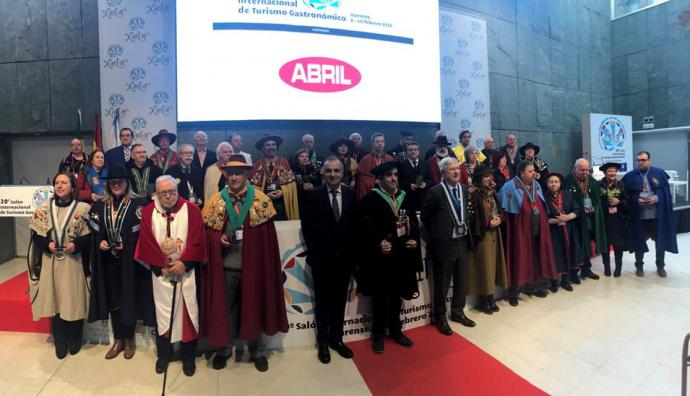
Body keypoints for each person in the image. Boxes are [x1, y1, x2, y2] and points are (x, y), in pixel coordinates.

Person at [201, 155, 288, 372]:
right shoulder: (215, 201)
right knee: (226, 310)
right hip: (226, 268)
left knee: (255, 306)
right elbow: (207, 236)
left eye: (239, 172)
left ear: (247, 174)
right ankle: (224, 349)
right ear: (225, 174)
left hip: (254, 268)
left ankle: (257, 351)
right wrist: (216, 239)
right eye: (230, 172)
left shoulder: (261, 200)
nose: (234, 177)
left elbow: (268, 242)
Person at [135, 175, 207, 377]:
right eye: (163, 193)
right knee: (163, 317)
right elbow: (146, 242)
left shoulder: (191, 210)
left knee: (187, 316)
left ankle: (188, 358)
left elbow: (198, 241)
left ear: (178, 190)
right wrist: (162, 266)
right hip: (161, 276)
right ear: (156, 194)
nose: (168, 196)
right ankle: (163, 356)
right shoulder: (149, 212)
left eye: (172, 191)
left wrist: (184, 263)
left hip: (186, 274)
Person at [85, 164, 154, 360]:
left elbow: (145, 235)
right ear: (108, 185)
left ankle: (129, 339)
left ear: (126, 183)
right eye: (113, 182)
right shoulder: (100, 206)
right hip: (108, 262)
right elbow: (96, 234)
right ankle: (118, 340)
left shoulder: (138, 205)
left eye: (119, 182)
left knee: (128, 299)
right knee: (114, 300)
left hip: (130, 263)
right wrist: (102, 242)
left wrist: (130, 245)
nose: (116, 185)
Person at [357, 161, 422, 353]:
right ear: (378, 179)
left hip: (401, 255)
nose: (394, 178)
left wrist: (413, 239)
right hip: (381, 258)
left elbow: (412, 223)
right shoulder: (370, 200)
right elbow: (361, 229)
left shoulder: (405, 197)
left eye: (395, 174)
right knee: (380, 297)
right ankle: (378, 334)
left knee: (396, 295)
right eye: (389, 175)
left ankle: (395, 330)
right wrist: (377, 243)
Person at [28, 171, 91, 359]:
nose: (60, 185)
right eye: (57, 183)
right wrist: (47, 244)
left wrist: (76, 245)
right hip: (51, 260)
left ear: (73, 186)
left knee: (74, 300)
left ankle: (75, 340)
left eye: (64, 182)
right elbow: (37, 236)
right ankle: (60, 341)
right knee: (54, 301)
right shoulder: (43, 208)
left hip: (73, 261)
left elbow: (89, 237)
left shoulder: (83, 209)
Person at [301, 157, 357, 364]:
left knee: (339, 302)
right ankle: (323, 343)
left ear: (343, 173)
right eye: (329, 171)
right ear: (323, 173)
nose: (333, 174)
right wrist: (319, 251)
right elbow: (307, 228)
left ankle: (337, 339)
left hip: (344, 260)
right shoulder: (313, 195)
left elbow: (354, 227)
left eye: (337, 171)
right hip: (322, 260)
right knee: (323, 302)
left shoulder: (351, 195)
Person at [421, 157, 475, 334]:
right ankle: (440, 317)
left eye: (458, 169)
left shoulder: (464, 189)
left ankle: (458, 312)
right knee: (442, 283)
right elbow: (425, 217)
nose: (456, 172)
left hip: (462, 241)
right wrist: (438, 235)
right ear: (443, 172)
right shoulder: (436, 192)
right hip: (444, 245)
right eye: (451, 169)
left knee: (462, 280)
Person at [498, 160, 557, 306]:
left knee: (536, 256)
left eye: (534, 171)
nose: (534, 174)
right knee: (519, 257)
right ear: (521, 172)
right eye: (530, 171)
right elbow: (503, 209)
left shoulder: (536, 185)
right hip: (519, 230)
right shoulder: (509, 187)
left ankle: (533, 286)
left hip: (537, 228)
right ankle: (513, 292)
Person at [622, 151, 678, 277]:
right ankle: (639, 266)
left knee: (660, 241)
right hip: (640, 216)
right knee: (638, 242)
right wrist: (636, 200)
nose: (640, 162)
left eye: (643, 160)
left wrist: (657, 198)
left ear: (649, 160)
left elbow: (665, 193)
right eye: (638, 160)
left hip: (657, 216)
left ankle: (660, 266)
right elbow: (626, 196)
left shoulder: (659, 173)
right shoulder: (630, 176)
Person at [467, 165, 508, 314]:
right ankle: (485, 300)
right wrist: (487, 224)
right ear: (478, 178)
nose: (489, 179)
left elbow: (500, 210)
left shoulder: (492, 193)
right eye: (485, 176)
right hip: (482, 235)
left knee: (493, 266)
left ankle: (491, 297)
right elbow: (471, 218)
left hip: (495, 234)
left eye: (490, 176)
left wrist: (499, 219)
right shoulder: (473, 194)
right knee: (484, 267)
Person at [564, 158, 606, 281]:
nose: (585, 172)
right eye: (582, 169)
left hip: (588, 219)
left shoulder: (592, 181)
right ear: (575, 168)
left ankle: (586, 269)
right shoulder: (567, 181)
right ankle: (573, 272)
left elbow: (598, 199)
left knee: (587, 243)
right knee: (576, 245)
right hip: (574, 220)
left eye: (587, 169)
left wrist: (595, 208)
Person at [544, 173, 581, 291]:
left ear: (560, 184)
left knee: (568, 254)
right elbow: (542, 218)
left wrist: (568, 217)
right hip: (553, 232)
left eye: (556, 182)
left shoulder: (567, 195)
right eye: (551, 182)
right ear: (547, 184)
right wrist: (555, 220)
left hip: (568, 230)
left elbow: (577, 209)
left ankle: (566, 281)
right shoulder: (543, 198)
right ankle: (554, 282)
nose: (554, 184)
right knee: (554, 256)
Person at [250, 134, 299, 220]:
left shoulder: (284, 163)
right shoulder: (257, 165)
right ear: (262, 148)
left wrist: (283, 192)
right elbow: (253, 189)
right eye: (268, 145)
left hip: (281, 205)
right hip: (263, 205)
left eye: (273, 144)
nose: (271, 147)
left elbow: (291, 186)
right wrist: (266, 195)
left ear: (277, 147)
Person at [598, 163, 628, 277]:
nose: (612, 173)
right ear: (604, 173)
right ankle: (607, 267)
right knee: (605, 246)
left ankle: (618, 268)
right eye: (610, 171)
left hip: (618, 220)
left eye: (614, 171)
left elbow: (627, 201)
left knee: (618, 245)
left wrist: (619, 202)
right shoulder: (598, 185)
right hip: (603, 220)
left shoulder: (621, 185)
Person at [356, 133, 394, 201]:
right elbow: (362, 181)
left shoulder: (390, 159)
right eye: (377, 141)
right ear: (372, 143)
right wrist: (374, 181)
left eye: (382, 141)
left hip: (387, 194)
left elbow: (394, 180)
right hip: (370, 195)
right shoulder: (365, 160)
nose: (380, 144)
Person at [397, 142, 431, 213]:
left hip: (423, 200)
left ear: (419, 151)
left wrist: (425, 184)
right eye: (410, 150)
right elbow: (398, 182)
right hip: (408, 201)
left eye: (415, 149)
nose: (413, 151)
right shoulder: (401, 165)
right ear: (406, 152)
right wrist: (409, 186)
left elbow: (431, 180)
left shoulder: (425, 164)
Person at [292, 148, 322, 213]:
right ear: (297, 159)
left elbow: (320, 184)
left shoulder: (314, 170)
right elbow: (291, 188)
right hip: (299, 201)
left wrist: (313, 186)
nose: (305, 158)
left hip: (314, 200)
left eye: (306, 156)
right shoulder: (292, 171)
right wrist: (301, 187)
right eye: (302, 156)